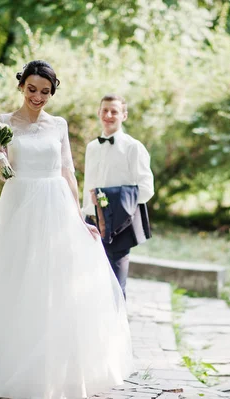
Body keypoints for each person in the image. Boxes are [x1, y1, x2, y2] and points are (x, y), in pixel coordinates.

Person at [0, 60, 132, 399]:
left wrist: (79, 217)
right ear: (21, 87)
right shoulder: (2, 124)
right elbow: (4, 177)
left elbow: (68, 173)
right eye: (32, 89)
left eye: (45, 91)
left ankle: (54, 368)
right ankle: (13, 364)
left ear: (52, 92)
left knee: (56, 286)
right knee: (17, 281)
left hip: (56, 207)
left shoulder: (58, 125)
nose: (38, 96)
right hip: (20, 205)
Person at [82, 94, 154, 299]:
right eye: (105, 110)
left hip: (120, 226)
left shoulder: (134, 148)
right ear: (98, 113)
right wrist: (83, 214)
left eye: (114, 111)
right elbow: (89, 186)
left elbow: (147, 189)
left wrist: (109, 199)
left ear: (124, 115)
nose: (109, 115)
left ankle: (118, 330)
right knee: (91, 285)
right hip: (91, 224)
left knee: (115, 287)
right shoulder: (92, 147)